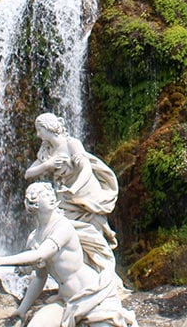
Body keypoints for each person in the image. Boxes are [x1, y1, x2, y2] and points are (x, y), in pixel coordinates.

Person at [0, 182, 154, 327]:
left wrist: (1, 261)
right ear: (33, 203)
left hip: (93, 296)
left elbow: (41, 255)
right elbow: (40, 277)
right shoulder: (34, 237)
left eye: (50, 193)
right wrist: (22, 309)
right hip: (66, 301)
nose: (50, 196)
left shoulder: (63, 227)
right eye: (43, 194)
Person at [24, 113, 119, 280]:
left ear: (49, 127)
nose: (38, 135)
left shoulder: (72, 144)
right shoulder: (46, 151)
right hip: (65, 198)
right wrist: (48, 165)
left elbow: (86, 169)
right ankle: (81, 280)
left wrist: (73, 189)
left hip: (86, 194)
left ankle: (105, 277)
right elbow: (28, 174)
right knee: (69, 232)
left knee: (94, 235)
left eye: (39, 130)